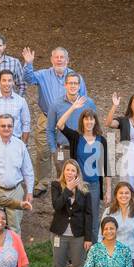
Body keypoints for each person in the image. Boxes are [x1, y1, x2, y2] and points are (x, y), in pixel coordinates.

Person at [24, 46, 87, 195]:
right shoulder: (43, 75)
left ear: (67, 60)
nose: (59, 60)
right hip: (46, 118)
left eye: (62, 57)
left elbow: (83, 98)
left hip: (69, 120)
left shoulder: (75, 77)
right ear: (51, 60)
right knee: (43, 151)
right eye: (56, 57)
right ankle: (43, 182)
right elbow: (28, 78)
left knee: (66, 150)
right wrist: (28, 64)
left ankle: (70, 181)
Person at [48, 160, 94, 267]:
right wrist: (67, 189)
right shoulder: (56, 186)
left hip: (78, 235)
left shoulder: (85, 189)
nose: (69, 173)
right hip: (59, 234)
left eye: (73, 170)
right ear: (63, 172)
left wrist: (88, 237)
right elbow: (57, 205)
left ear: (77, 173)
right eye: (67, 170)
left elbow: (89, 214)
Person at [59, 98, 109, 239]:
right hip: (77, 185)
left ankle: (92, 250)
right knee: (77, 216)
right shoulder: (76, 137)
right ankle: (77, 250)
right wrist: (73, 107)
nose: (89, 122)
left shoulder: (101, 140)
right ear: (82, 122)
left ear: (95, 122)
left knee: (93, 219)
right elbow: (60, 124)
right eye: (86, 119)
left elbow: (106, 167)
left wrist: (108, 190)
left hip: (94, 185)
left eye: (91, 119)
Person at [106, 92, 134, 188]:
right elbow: (109, 123)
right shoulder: (124, 121)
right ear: (131, 105)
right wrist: (115, 106)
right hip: (128, 162)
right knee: (128, 188)